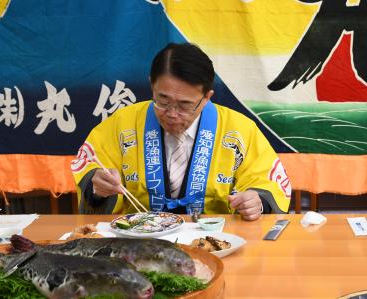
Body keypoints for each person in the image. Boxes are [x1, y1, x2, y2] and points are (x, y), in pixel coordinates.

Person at [71, 42, 291, 220]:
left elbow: (266, 181)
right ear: (152, 85)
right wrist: (98, 187)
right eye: (162, 100)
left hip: (215, 239)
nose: (172, 113)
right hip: (139, 241)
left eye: (185, 105)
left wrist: (256, 202)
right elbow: (91, 169)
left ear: (207, 98)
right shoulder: (121, 124)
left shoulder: (239, 130)